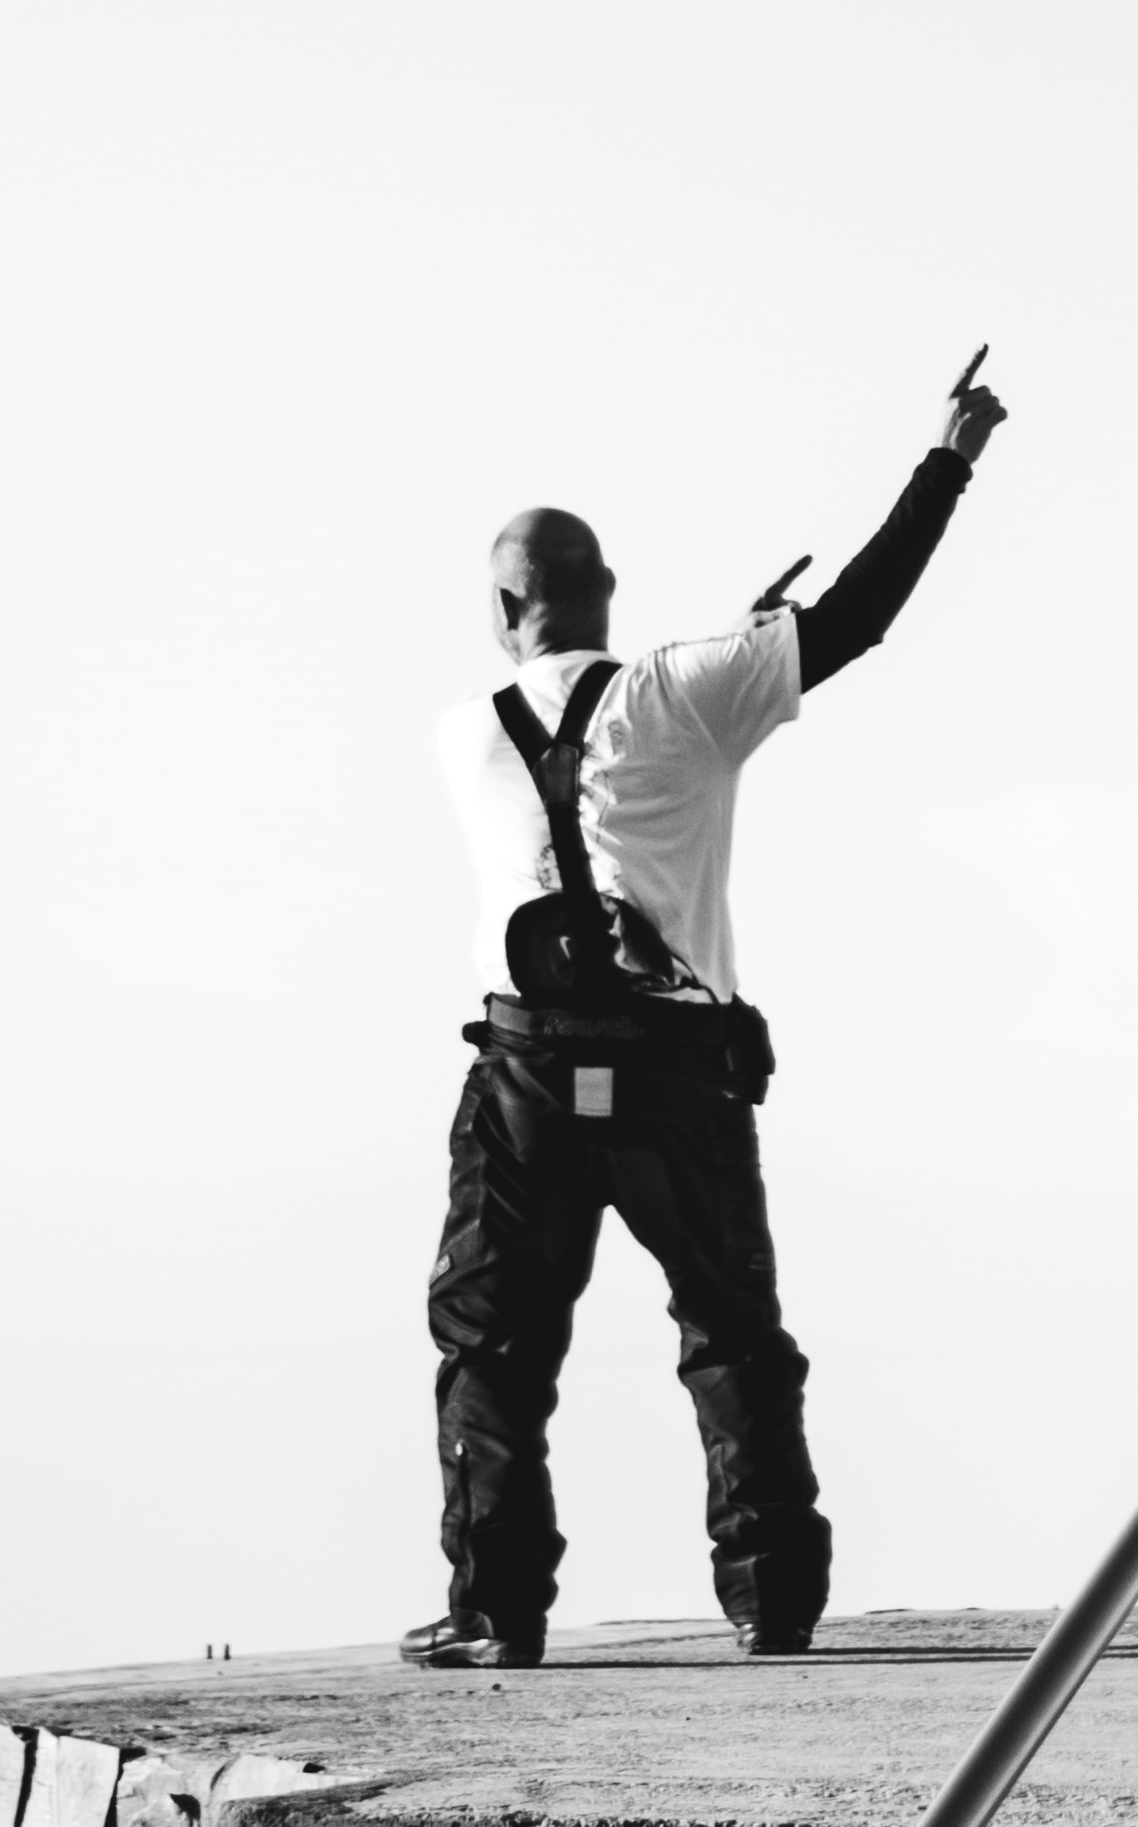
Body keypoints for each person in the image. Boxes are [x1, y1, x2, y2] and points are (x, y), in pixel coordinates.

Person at [411, 357, 1009, 1671]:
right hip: (676, 1069)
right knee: (731, 1336)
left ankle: (493, 1610)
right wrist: (947, 455)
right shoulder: (691, 691)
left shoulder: (464, 734)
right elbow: (854, 615)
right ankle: (770, 1599)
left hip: (523, 1074)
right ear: (606, 589)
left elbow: (591, 751)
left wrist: (735, 662)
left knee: (494, 1347)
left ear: (506, 603)